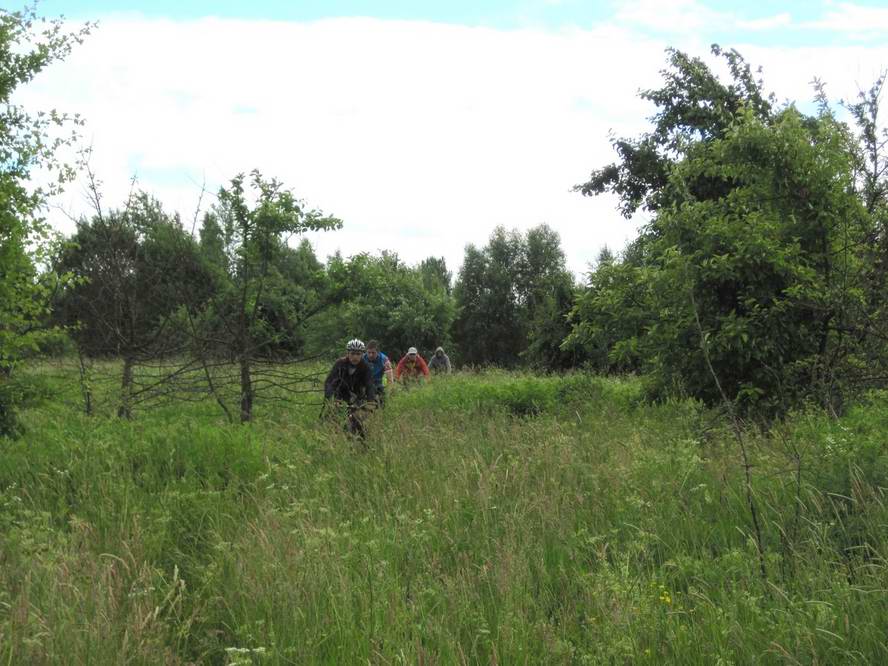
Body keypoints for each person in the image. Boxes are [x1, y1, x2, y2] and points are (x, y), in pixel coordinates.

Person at [324, 338, 377, 418]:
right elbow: (329, 382)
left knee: (359, 420)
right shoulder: (339, 363)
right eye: (352, 354)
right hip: (340, 396)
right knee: (331, 418)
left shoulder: (366, 367)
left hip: (358, 396)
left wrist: (370, 401)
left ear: (362, 354)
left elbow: (370, 384)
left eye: (358, 354)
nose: (355, 357)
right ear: (347, 353)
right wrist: (330, 398)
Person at [363, 340, 394, 405]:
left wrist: (389, 392)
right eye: (369, 352)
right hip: (364, 382)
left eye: (373, 353)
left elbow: (390, 380)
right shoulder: (362, 358)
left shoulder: (384, 359)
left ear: (378, 352)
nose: (371, 355)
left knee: (383, 401)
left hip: (378, 384)